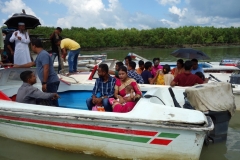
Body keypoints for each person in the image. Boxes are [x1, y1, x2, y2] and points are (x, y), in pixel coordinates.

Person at [13, 39, 60, 106]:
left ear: (34, 46)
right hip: (48, 81)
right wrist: (18, 66)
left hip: (50, 81)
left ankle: (56, 113)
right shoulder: (40, 55)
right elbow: (32, 64)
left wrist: (44, 83)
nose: (32, 49)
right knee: (49, 99)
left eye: (31, 47)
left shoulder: (43, 54)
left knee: (52, 99)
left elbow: (46, 68)